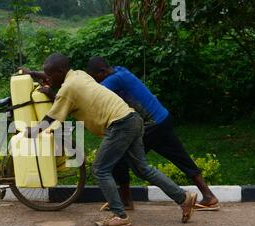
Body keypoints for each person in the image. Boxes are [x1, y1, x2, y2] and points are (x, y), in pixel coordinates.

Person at [24, 53, 198, 226]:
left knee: (100, 169)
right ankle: (183, 198)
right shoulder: (78, 75)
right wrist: (33, 73)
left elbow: (51, 118)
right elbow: (59, 91)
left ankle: (119, 215)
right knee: (143, 169)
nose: (47, 79)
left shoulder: (67, 89)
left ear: (60, 72)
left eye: (49, 75)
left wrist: (31, 132)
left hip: (119, 125)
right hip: (132, 118)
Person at [86, 56, 220, 211]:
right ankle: (209, 196)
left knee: (120, 159)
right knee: (181, 158)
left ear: (102, 71)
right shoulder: (120, 70)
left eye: (96, 77)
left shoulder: (115, 80)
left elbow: (92, 95)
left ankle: (127, 201)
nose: (96, 81)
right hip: (162, 118)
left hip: (152, 125)